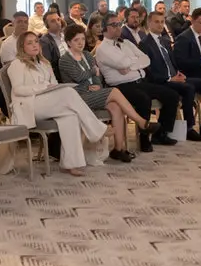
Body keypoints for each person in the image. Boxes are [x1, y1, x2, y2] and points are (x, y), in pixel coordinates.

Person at [7, 31, 109, 177]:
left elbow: (54, 84)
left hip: (48, 102)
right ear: (22, 47)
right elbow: (18, 90)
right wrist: (42, 88)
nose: (35, 45)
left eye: (36, 41)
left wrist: (52, 88)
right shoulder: (17, 64)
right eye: (29, 43)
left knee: (70, 115)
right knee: (68, 93)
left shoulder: (45, 63)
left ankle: (71, 164)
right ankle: (97, 129)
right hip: (28, 105)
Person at [56, 23, 151, 163]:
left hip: (94, 93)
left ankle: (119, 149)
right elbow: (78, 77)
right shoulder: (65, 60)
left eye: (82, 39)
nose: (81, 43)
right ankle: (140, 121)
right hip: (78, 97)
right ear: (69, 42)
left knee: (116, 107)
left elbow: (98, 77)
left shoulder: (87, 56)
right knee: (115, 91)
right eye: (76, 40)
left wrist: (97, 85)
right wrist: (92, 76)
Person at [93, 13, 180, 152]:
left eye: (119, 24)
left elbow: (146, 59)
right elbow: (122, 63)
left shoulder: (126, 43)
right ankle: (144, 140)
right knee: (143, 99)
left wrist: (130, 65)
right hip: (120, 87)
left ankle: (160, 134)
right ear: (104, 28)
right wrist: (133, 61)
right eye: (114, 25)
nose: (118, 27)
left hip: (140, 81)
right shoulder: (103, 48)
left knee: (171, 95)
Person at [140, 11, 201, 142]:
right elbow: (148, 70)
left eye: (162, 22)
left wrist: (178, 72)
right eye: (156, 22)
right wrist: (169, 78)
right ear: (149, 23)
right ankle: (189, 128)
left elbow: (173, 62)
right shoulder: (145, 43)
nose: (160, 25)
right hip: (161, 80)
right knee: (188, 88)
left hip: (174, 76)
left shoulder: (165, 41)